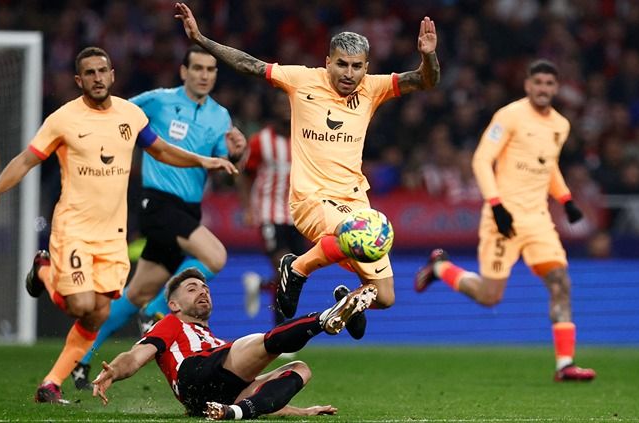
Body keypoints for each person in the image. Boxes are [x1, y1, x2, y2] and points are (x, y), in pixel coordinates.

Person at [0, 46, 237, 403]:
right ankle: (44, 271)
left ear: (112, 74)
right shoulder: (64, 118)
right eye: (90, 73)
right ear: (78, 80)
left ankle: (52, 384)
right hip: (76, 229)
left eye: (103, 71)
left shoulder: (130, 115)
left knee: (102, 310)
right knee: (82, 305)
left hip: (114, 235)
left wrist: (202, 161)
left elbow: (160, 149)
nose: (98, 78)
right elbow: (27, 159)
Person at [174, 2, 440, 334]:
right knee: (351, 233)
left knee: (385, 296)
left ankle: (347, 303)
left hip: (355, 200)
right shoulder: (302, 79)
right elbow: (250, 65)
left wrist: (428, 56)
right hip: (311, 199)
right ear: (327, 61)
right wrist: (202, 39)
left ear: (366, 67)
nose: (348, 73)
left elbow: (424, 81)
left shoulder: (373, 87)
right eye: (341, 64)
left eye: (357, 66)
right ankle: (296, 268)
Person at [69, 45, 247, 391]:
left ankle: (82, 355)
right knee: (217, 256)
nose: (204, 75)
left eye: (210, 70)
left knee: (133, 293)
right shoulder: (158, 101)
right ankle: (156, 309)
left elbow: (226, 172)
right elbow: (115, 113)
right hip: (158, 203)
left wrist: (237, 153)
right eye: (197, 68)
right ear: (183, 72)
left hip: (188, 209)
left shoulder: (220, 116)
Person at [413, 59, 596, 382]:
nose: (543, 89)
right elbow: (482, 159)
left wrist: (566, 200)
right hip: (504, 220)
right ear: (527, 85)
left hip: (538, 219)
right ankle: (441, 268)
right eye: (537, 83)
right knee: (490, 296)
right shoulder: (509, 115)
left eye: (549, 84)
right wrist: (496, 204)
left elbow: (548, 165)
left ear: (556, 88)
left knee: (561, 283)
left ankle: (564, 364)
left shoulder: (560, 125)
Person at [91, 267, 377, 420]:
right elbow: (136, 355)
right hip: (195, 372)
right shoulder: (170, 323)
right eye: (193, 289)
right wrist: (115, 371)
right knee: (258, 344)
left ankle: (237, 413)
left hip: (211, 400)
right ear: (173, 304)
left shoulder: (216, 341)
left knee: (300, 369)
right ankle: (325, 318)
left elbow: (265, 395)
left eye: (205, 289)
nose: (203, 292)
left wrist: (303, 412)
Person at [238, 91, 305, 329]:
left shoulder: (305, 139)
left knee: (296, 272)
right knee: (283, 265)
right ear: (273, 109)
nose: (286, 109)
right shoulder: (260, 141)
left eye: (289, 104)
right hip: (269, 212)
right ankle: (281, 331)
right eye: (280, 104)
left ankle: (261, 285)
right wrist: (248, 208)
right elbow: (245, 176)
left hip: (298, 215)